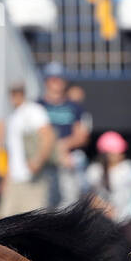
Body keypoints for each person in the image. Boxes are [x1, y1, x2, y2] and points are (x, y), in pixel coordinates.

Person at [0, 83, 54, 216]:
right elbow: (11, 152)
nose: (15, 96)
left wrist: (38, 160)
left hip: (32, 179)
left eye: (18, 92)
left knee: (32, 224)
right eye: (13, 93)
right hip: (14, 181)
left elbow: (47, 136)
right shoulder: (12, 117)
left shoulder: (33, 110)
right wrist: (6, 179)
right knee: (4, 223)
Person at [85, 131, 131, 247]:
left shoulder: (127, 168)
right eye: (118, 151)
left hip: (126, 220)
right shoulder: (94, 171)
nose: (122, 154)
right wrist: (104, 207)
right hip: (103, 221)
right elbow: (88, 196)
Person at [39, 64, 90, 207]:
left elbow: (82, 136)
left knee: (69, 205)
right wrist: (54, 150)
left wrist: (62, 146)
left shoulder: (74, 106)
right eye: (52, 79)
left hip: (68, 161)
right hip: (46, 161)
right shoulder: (37, 105)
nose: (56, 83)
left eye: (59, 79)